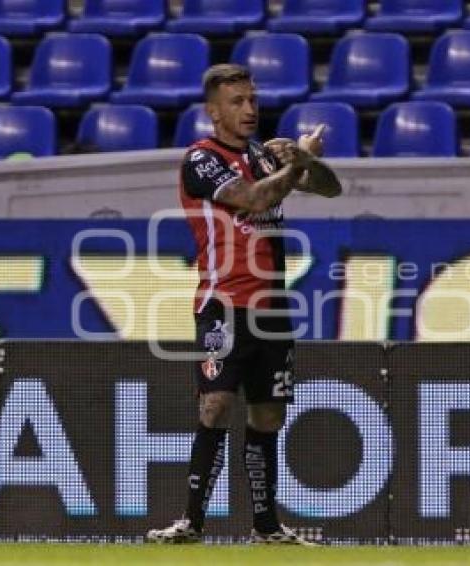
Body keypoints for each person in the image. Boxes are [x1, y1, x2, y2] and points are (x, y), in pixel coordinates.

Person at [145, 64, 341, 544]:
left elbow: (331, 187)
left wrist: (303, 158)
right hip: (224, 301)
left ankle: (267, 527)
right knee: (215, 404)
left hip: (272, 305)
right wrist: (296, 165)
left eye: (253, 99)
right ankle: (191, 522)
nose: (250, 109)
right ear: (214, 112)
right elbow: (252, 200)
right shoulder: (202, 159)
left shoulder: (263, 155)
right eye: (237, 101)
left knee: (269, 413)